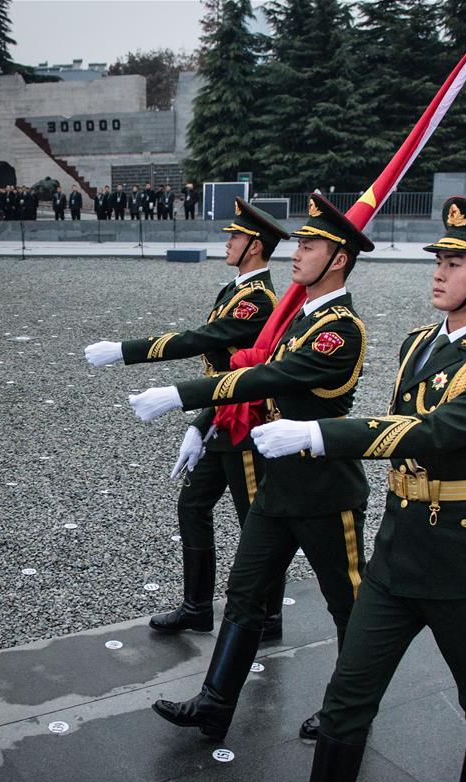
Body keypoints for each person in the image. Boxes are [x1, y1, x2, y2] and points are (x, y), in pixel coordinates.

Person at [247, 196, 466, 782]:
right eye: (439, 257)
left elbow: (435, 432)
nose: (439, 270)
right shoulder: (418, 342)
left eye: (457, 260)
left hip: (465, 556)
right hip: (399, 546)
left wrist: (320, 433)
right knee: (348, 693)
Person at [127, 193, 373, 742]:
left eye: (310, 245)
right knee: (244, 594)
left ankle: (349, 708)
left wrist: (179, 393)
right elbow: (254, 372)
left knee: (348, 605)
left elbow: (264, 379)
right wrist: (204, 422)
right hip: (279, 485)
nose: (298, 252)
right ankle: (215, 702)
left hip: (324, 490)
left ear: (338, 259)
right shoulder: (299, 320)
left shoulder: (340, 329)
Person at [84, 199, 292, 644]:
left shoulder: (258, 299)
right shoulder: (236, 289)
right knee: (192, 506)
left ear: (255, 246)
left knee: (254, 522)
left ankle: (268, 615)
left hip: (247, 425)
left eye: (236, 237)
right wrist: (200, 424)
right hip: (221, 415)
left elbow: (203, 340)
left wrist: (127, 351)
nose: (229, 242)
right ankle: (197, 607)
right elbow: (218, 372)